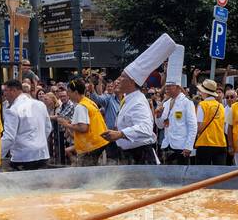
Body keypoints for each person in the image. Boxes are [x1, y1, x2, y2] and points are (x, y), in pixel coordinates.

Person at [103, 35, 171, 164]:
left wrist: (120, 134)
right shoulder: (128, 98)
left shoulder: (138, 102)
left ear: (132, 81)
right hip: (130, 156)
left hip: (142, 157)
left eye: (122, 77)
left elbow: (145, 128)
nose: (117, 81)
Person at [0, 80, 51, 170]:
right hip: (42, 153)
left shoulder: (13, 110)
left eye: (5, 90)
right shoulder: (40, 105)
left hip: (23, 156)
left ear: (13, 91)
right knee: (41, 183)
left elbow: (9, 137)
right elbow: (48, 128)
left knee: (21, 183)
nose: (4, 94)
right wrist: (40, 141)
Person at [63, 78, 110, 166]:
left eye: (69, 91)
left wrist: (67, 125)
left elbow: (83, 128)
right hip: (98, 142)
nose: (67, 94)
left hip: (90, 145)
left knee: (86, 174)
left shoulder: (81, 106)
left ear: (76, 92)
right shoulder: (89, 102)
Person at [159, 74, 196, 163]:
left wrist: (189, 146)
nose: (167, 88)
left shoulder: (187, 103)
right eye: (166, 86)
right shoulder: (166, 104)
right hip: (167, 145)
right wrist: (158, 116)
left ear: (178, 87)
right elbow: (160, 125)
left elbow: (193, 126)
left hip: (181, 147)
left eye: (170, 86)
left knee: (181, 176)